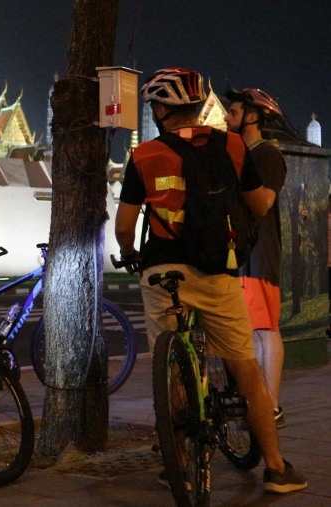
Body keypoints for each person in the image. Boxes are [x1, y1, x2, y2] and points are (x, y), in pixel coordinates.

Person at [114, 68, 306, 494]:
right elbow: (258, 206)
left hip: (164, 273)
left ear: (162, 110)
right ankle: (275, 467)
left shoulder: (144, 156)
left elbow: (125, 225)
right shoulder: (234, 146)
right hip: (218, 271)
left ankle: (179, 462)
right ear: (199, 106)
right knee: (245, 367)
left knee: (172, 370)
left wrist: (129, 253)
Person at [224, 87, 288, 428]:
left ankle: (272, 404)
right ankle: (255, 401)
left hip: (260, 255)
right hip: (239, 254)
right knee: (246, 331)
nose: (227, 118)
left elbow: (262, 202)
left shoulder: (266, 155)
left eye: (233, 112)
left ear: (252, 117)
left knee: (264, 329)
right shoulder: (238, 152)